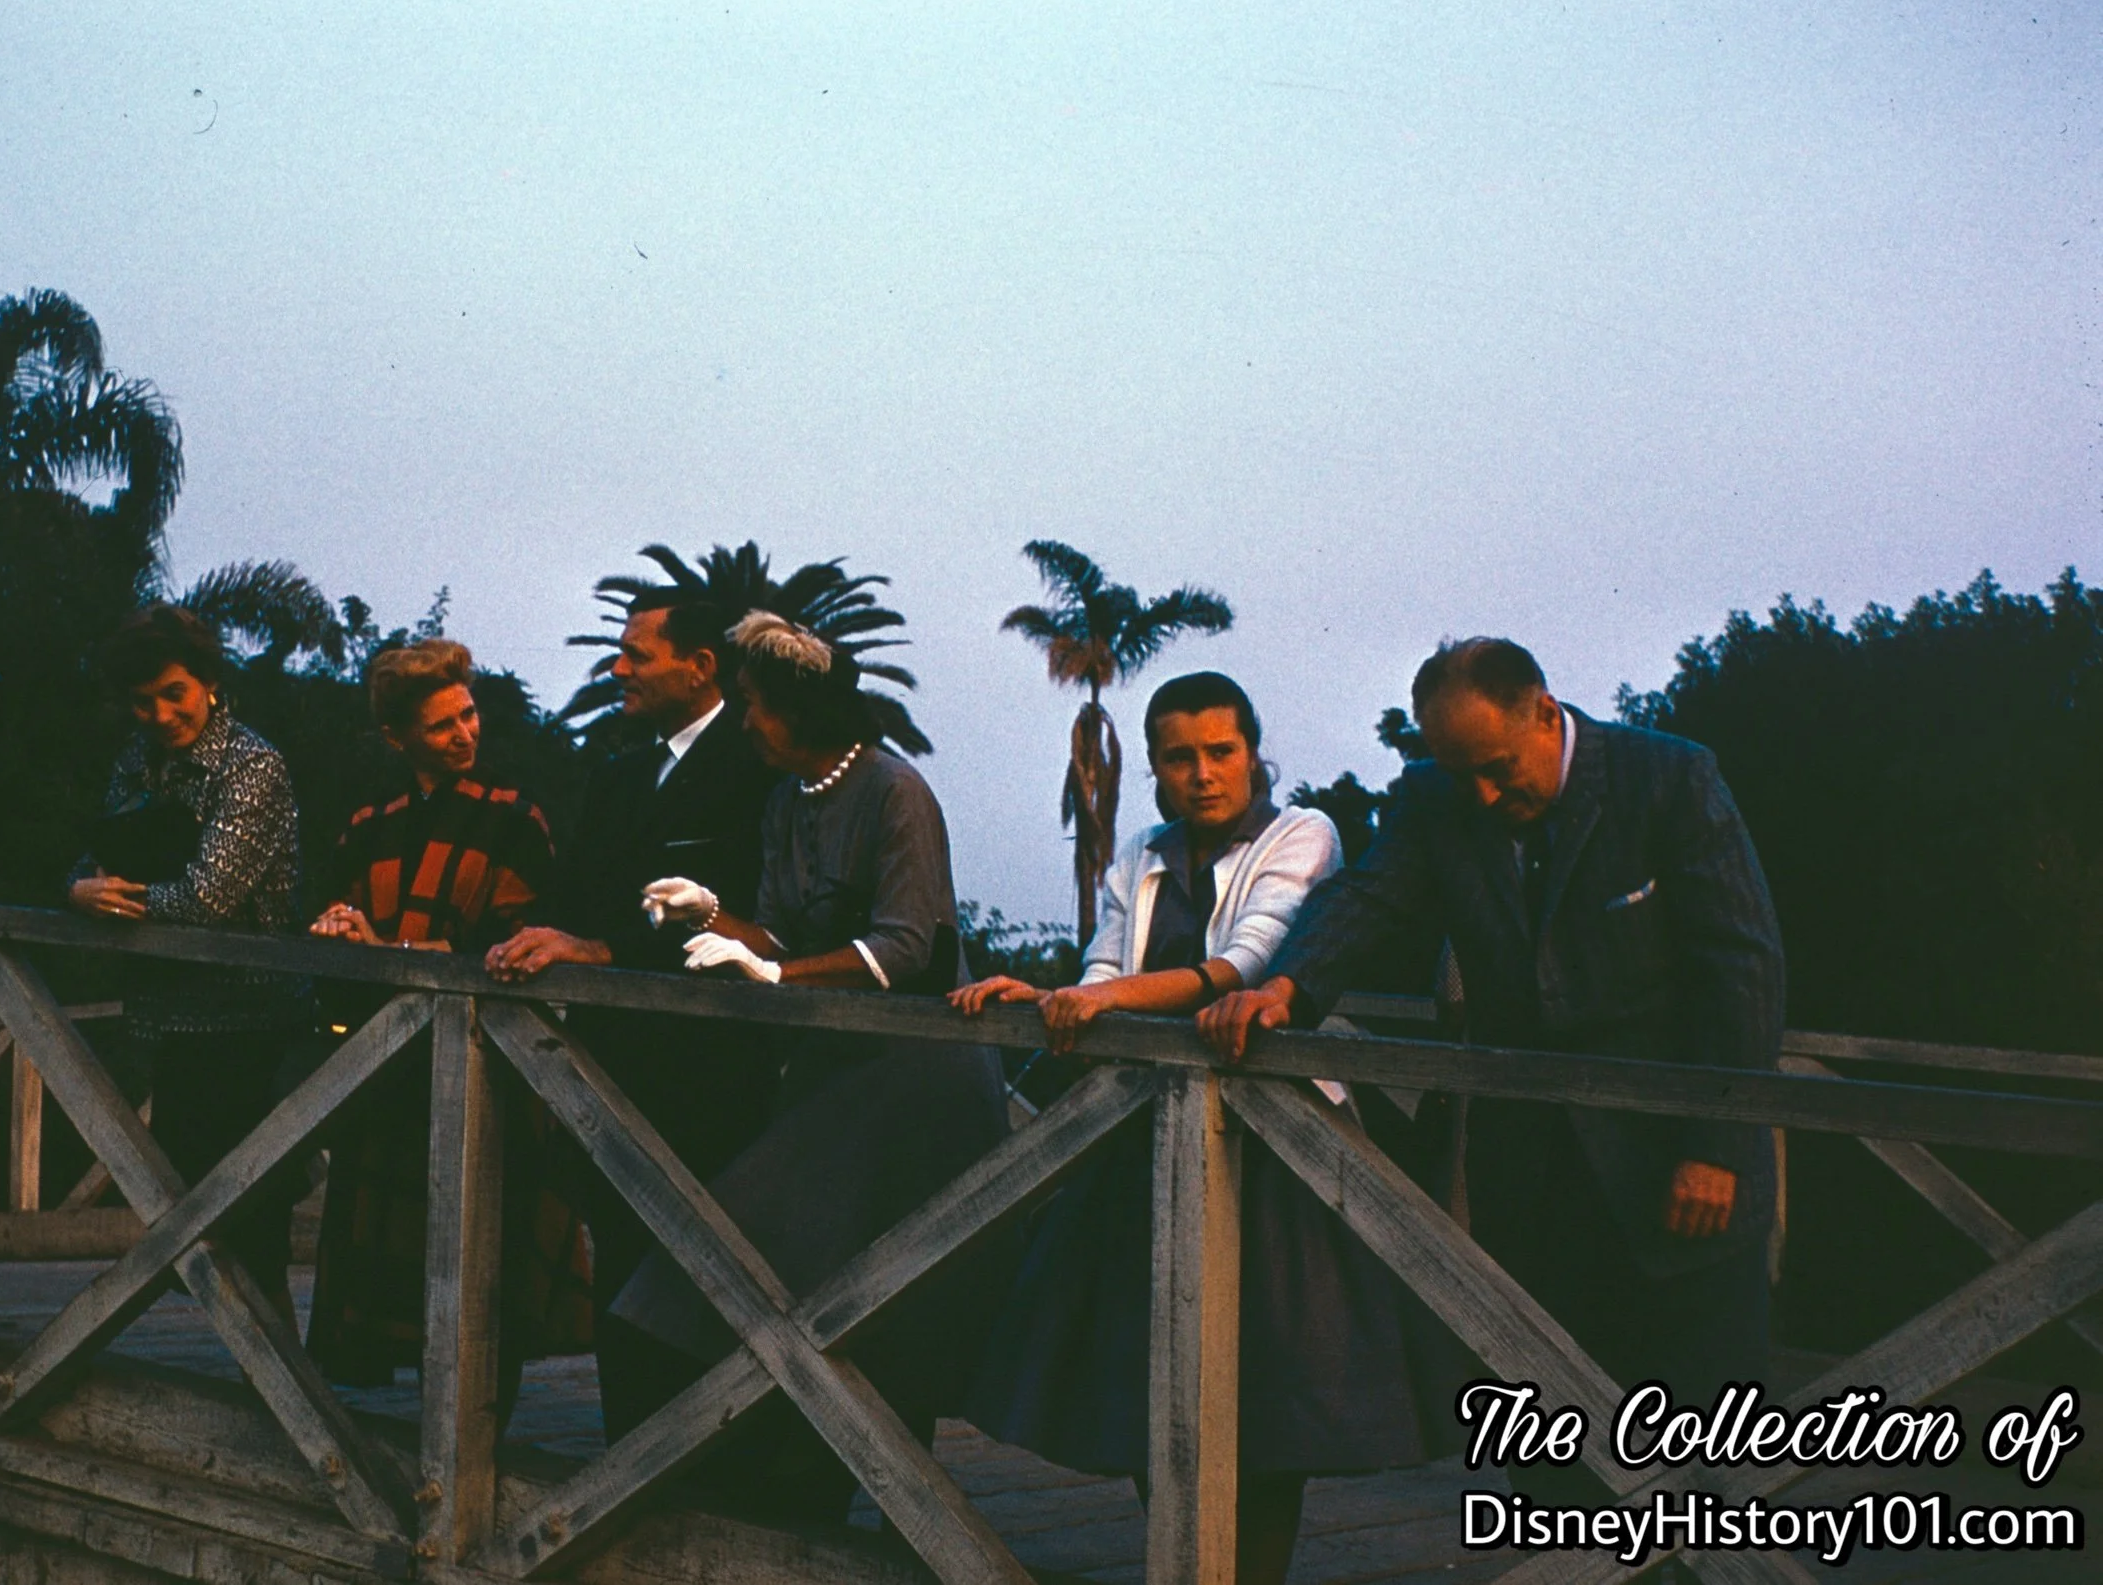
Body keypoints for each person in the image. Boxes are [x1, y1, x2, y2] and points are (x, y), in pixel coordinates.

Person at [1204, 638, 1784, 1507]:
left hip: (1682, 1172)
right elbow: (1369, 897)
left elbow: (1742, 971)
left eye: (1495, 766)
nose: (1479, 793)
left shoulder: (1672, 779)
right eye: (1456, 770)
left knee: (1702, 1461)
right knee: (1552, 1460)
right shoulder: (1439, 800)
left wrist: (1717, 1147)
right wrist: (1287, 984)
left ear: (1545, 713)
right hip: (1534, 1184)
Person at [955, 672, 1460, 1585]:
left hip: (1272, 1158)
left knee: (1269, 1397)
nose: (1202, 774)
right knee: (1145, 1382)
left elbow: (1248, 961)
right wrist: (1047, 997)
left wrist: (1097, 998)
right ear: (1152, 769)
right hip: (1144, 1137)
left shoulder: (1301, 833)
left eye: (1221, 752)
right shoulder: (1139, 853)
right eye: (1179, 757)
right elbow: (1103, 964)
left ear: (1255, 755)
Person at [606, 610, 1013, 1525]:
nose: (743, 721)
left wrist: (779, 971)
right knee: (782, 1279)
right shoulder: (787, 798)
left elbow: (909, 944)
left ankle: (883, 1511)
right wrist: (710, 916)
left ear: (799, 712)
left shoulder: (895, 791)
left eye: (754, 706)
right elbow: (780, 930)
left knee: (882, 1294)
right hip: (834, 1076)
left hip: (918, 1081)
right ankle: (788, 1486)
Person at [483, 592, 782, 1434]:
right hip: (612, 1074)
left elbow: (759, 913)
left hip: (717, 1080)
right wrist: (537, 939)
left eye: (637, 655)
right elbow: (577, 899)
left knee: (712, 1275)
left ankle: (715, 1466)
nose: (618, 668)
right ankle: (631, 1461)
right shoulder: (618, 770)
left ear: (701, 665)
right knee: (623, 1265)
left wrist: (603, 951)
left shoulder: (757, 768)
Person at [305, 639, 564, 1388]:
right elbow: (338, 912)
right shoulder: (369, 822)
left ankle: (478, 1435)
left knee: (482, 1258)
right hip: (385, 1070)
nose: (465, 733)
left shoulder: (514, 816)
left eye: (470, 713)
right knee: (384, 1252)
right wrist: (341, 932)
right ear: (398, 737)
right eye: (443, 723)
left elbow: (513, 940)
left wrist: (393, 945)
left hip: (486, 1069)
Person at [70, 605, 308, 1313]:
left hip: (252, 1019)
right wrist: (78, 888)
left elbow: (209, 895)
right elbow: (99, 852)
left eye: (174, 692)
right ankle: (255, 1372)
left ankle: (277, 1382)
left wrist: (117, 896)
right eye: (144, 701)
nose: (161, 713)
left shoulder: (252, 764)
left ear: (207, 683)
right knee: (188, 1203)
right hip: (172, 1016)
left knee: (249, 1211)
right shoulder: (135, 761)